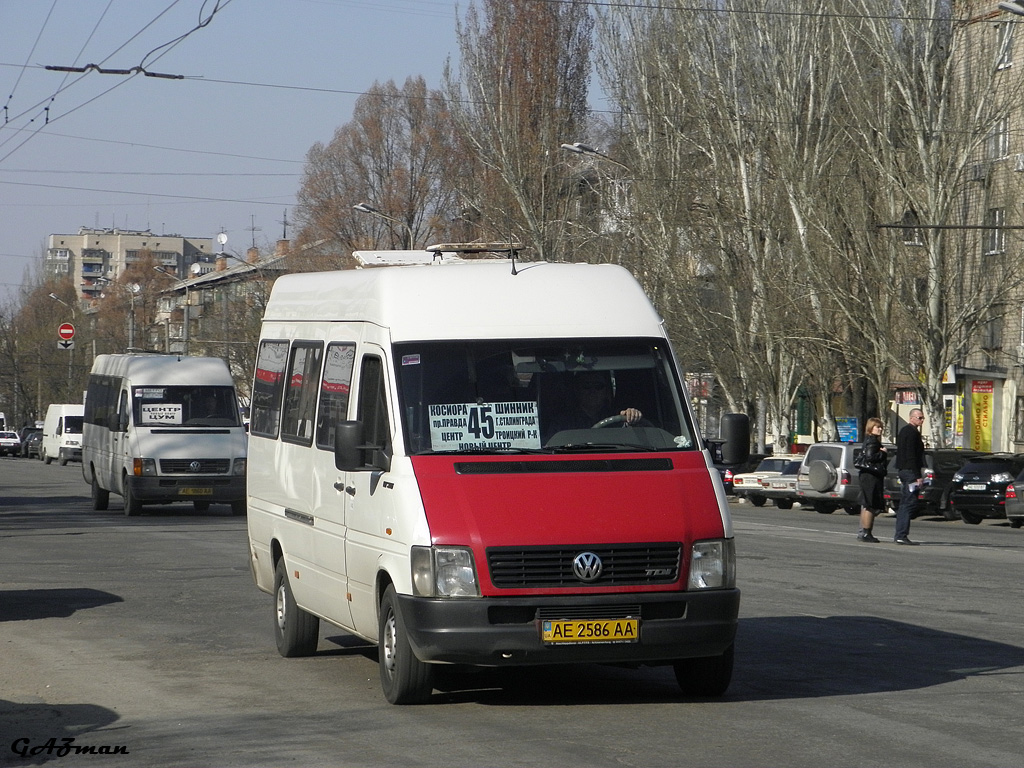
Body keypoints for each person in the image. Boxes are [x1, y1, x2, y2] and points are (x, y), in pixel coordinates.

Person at [551, 371, 643, 432]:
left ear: (606, 391)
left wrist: (633, 417)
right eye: (586, 386)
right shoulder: (562, 422)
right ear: (577, 390)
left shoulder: (619, 418)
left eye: (598, 386)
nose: (592, 391)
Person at [894, 408, 926, 545]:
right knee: (909, 502)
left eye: (922, 417)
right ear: (912, 418)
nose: (922, 420)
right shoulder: (911, 433)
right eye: (919, 417)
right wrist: (917, 476)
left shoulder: (904, 431)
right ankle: (901, 534)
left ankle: (900, 534)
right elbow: (911, 455)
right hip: (909, 471)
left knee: (904, 503)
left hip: (903, 470)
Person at [856, 417, 889, 542]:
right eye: (877, 427)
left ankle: (864, 532)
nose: (880, 429)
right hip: (871, 476)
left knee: (866, 504)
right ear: (871, 428)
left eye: (881, 427)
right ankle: (867, 532)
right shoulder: (873, 441)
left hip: (866, 475)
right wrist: (883, 453)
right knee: (870, 505)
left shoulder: (867, 440)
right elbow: (870, 457)